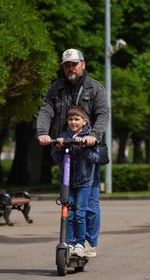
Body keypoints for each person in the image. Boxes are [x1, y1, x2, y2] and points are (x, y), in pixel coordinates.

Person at [36, 48, 109, 257]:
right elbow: (46, 111)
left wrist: (93, 135)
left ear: (83, 64)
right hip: (64, 147)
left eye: (74, 64)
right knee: (68, 200)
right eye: (67, 65)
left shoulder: (95, 88)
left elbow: (103, 114)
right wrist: (42, 132)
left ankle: (87, 242)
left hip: (88, 150)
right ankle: (69, 241)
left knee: (90, 203)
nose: (70, 68)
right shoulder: (56, 89)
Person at [51, 106, 99, 257]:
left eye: (77, 119)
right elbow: (56, 158)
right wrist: (58, 146)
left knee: (80, 213)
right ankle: (70, 243)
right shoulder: (63, 135)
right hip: (67, 183)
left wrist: (84, 146)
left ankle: (80, 244)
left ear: (84, 121)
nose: (73, 122)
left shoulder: (90, 136)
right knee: (68, 213)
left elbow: (96, 159)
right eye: (70, 119)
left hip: (84, 183)